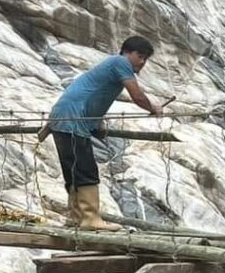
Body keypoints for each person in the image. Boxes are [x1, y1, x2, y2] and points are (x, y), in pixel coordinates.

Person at [42, 36, 162, 230]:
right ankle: (90, 219)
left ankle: (76, 217)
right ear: (127, 52)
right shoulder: (121, 63)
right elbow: (137, 96)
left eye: (145, 58)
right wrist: (153, 107)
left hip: (63, 118)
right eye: (140, 56)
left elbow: (94, 95)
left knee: (73, 170)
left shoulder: (112, 65)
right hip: (73, 120)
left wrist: (97, 123)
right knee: (86, 169)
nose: (142, 62)